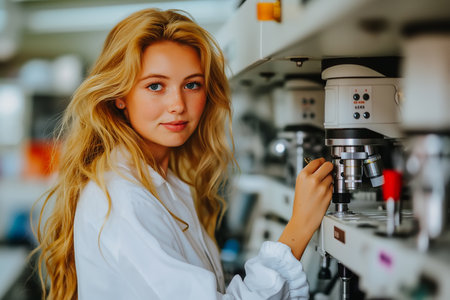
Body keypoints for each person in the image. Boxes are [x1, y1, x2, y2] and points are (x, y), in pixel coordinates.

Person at [33, 8, 333, 300]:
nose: (177, 104)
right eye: (155, 86)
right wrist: (298, 228)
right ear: (120, 96)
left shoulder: (161, 180)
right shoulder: (125, 199)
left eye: (191, 85)